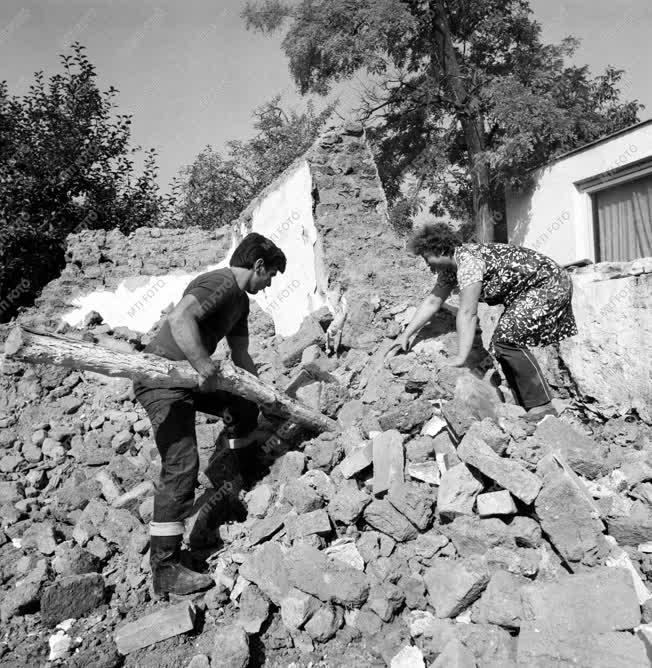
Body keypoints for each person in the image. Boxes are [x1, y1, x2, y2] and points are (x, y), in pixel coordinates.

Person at [133, 232, 286, 597]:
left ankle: (240, 471)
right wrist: (203, 365)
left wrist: (264, 394)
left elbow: (242, 357)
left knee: (242, 404)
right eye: (270, 277)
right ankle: (165, 568)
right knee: (182, 464)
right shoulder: (219, 282)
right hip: (162, 378)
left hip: (193, 381)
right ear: (258, 266)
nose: (267, 287)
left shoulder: (241, 306)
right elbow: (180, 317)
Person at [386, 222, 577, 417]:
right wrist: (405, 334)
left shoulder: (468, 261)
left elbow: (468, 312)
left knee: (507, 339)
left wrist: (461, 358)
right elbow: (433, 301)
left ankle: (543, 406)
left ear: (441, 250)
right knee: (501, 344)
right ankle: (526, 406)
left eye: (427, 256)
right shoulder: (451, 270)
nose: (426, 263)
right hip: (531, 290)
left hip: (548, 284)